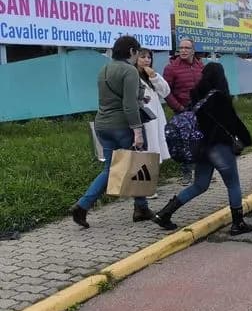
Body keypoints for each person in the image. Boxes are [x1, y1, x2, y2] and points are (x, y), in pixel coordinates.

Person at [153, 63, 252, 235]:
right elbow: (233, 123)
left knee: (199, 185)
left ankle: (165, 213)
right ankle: (238, 223)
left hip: (201, 148)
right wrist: (246, 140)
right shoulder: (220, 97)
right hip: (219, 147)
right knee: (233, 184)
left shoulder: (196, 95)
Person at [69, 36, 151, 228]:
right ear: (131, 51)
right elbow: (129, 105)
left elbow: (113, 98)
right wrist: (137, 132)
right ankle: (141, 208)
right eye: (137, 52)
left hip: (102, 125)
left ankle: (83, 206)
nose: (138, 56)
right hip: (122, 126)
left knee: (111, 169)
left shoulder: (103, 69)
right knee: (137, 165)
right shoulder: (129, 70)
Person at [163, 38, 204, 184]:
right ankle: (186, 173)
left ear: (193, 50)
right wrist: (178, 108)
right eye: (181, 48)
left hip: (199, 109)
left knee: (200, 140)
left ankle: (203, 172)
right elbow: (165, 92)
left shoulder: (200, 65)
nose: (183, 51)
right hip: (183, 110)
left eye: (187, 48)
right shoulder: (171, 68)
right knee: (185, 141)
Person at [136, 50, 171, 198]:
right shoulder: (133, 76)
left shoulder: (151, 76)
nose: (146, 60)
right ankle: (145, 189)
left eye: (149, 57)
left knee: (155, 150)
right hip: (142, 120)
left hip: (155, 119)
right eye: (142, 57)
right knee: (146, 152)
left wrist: (154, 76)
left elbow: (166, 91)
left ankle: (151, 185)